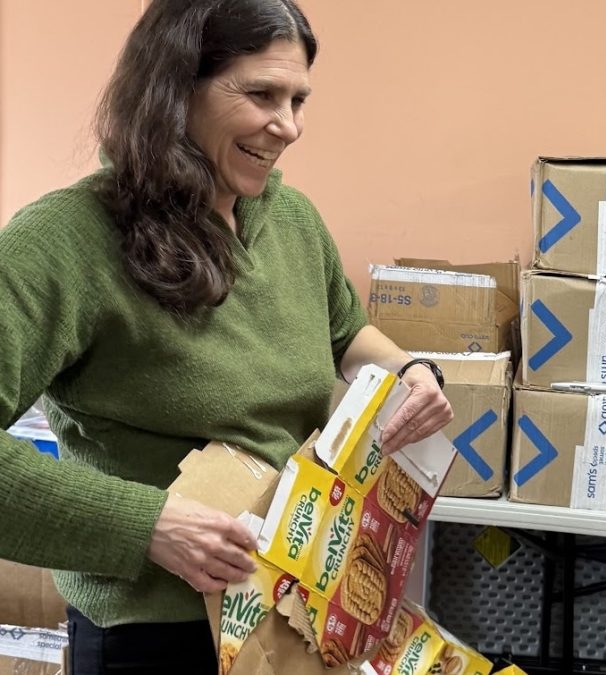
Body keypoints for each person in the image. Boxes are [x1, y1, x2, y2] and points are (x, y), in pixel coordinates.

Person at [0, 1, 452, 672]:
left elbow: (344, 328)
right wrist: (149, 524)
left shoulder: (290, 217)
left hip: (292, 615)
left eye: (298, 99)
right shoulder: (65, 241)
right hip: (154, 640)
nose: (290, 126)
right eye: (262, 94)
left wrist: (409, 369)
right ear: (173, 90)